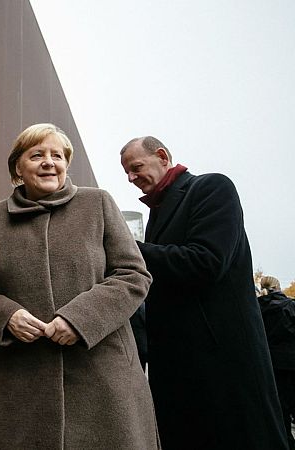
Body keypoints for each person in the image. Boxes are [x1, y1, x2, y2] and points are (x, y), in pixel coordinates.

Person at [0, 123, 158, 449]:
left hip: (103, 381)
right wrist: (7, 316)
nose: (49, 162)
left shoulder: (98, 203)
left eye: (57, 156)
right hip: (23, 384)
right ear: (18, 168)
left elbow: (133, 274)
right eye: (37, 155)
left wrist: (79, 319)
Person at [120, 136, 288, 449]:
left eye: (136, 167)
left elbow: (207, 261)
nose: (131, 178)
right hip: (179, 370)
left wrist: (127, 247)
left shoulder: (212, 187)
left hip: (221, 366)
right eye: (126, 172)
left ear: (162, 156)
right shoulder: (158, 212)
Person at [258, 275, 295, 449]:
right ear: (278, 287)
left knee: (281, 410)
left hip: (270, 365)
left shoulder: (257, 308)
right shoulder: (290, 305)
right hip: (292, 363)